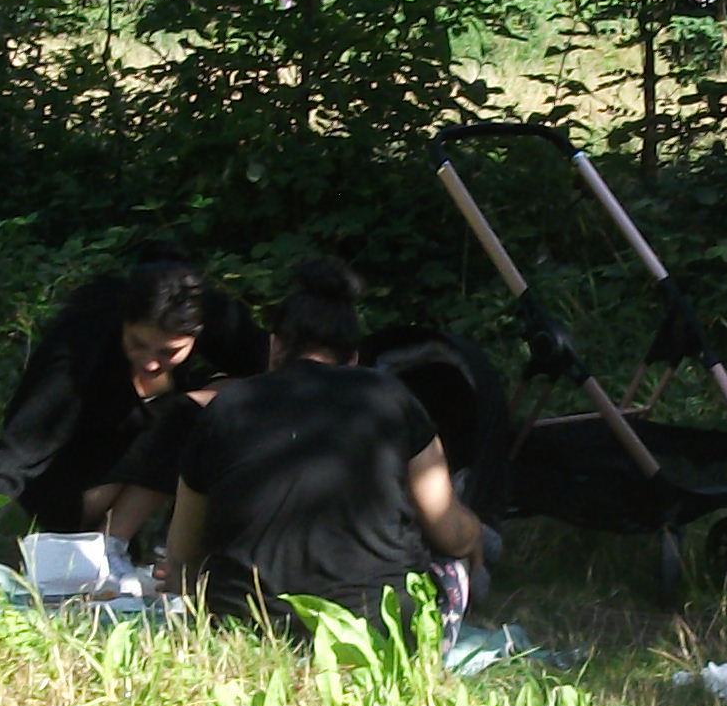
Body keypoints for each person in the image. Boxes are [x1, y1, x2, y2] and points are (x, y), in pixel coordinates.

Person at [163, 259, 486, 632]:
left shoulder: (226, 408)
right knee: (460, 558)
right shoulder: (391, 398)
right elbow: (449, 530)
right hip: (372, 631)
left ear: (275, 346)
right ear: (354, 358)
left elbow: (182, 555)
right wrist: (475, 534)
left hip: (243, 626)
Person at [0, 256, 268, 557]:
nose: (151, 362)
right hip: (65, 489)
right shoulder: (78, 351)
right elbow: (13, 457)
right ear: (123, 322)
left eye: (168, 352)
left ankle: (169, 542)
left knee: (228, 396)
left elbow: (274, 371)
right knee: (183, 416)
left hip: (121, 460)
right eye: (138, 344)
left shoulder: (213, 315)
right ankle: (106, 549)